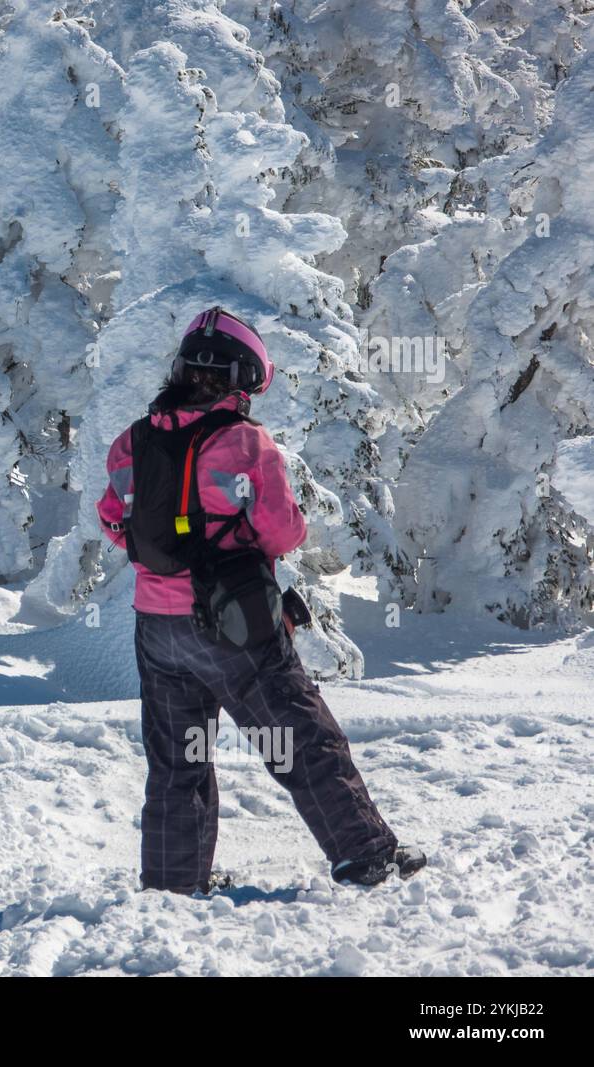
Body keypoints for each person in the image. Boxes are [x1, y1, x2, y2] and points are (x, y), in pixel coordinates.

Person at [97, 306, 425, 893]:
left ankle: (175, 883)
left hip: (156, 626)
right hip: (234, 625)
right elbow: (283, 532)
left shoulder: (132, 442)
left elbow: (113, 521)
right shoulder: (247, 444)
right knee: (302, 738)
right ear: (240, 380)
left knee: (177, 761)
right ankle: (366, 856)